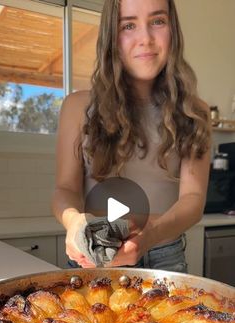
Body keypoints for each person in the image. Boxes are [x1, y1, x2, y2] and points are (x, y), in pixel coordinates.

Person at [52, 0, 211, 272]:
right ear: (111, 38)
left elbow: (193, 200)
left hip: (165, 256)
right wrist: (74, 222)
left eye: (157, 21)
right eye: (128, 25)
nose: (145, 39)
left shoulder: (195, 112)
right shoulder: (77, 106)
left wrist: (149, 237)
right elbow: (65, 188)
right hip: (93, 255)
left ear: (172, 28)